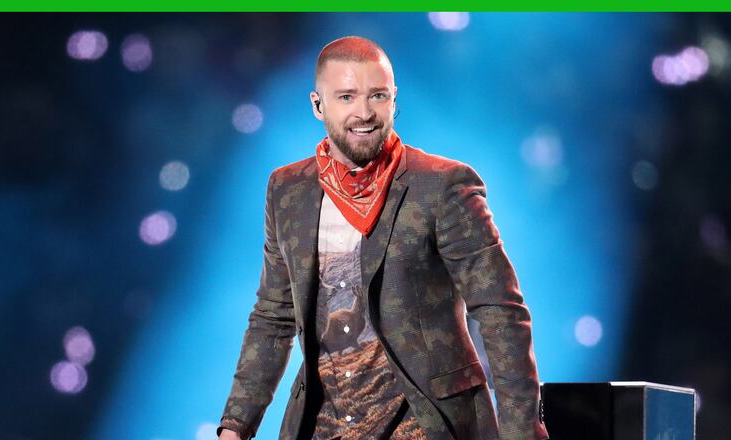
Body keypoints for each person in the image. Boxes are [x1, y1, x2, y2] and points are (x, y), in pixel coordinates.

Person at [218, 36, 549, 440]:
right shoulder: (287, 190)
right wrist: (234, 426)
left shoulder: (442, 185)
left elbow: (501, 311)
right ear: (318, 105)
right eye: (346, 97)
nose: (364, 112)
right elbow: (273, 316)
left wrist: (522, 434)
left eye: (377, 96)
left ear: (394, 100)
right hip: (323, 427)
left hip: (425, 425)